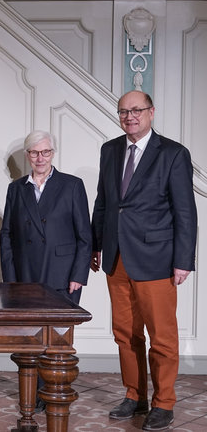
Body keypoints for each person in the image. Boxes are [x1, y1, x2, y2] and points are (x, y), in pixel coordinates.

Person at [91, 91, 197, 431]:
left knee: (162, 336)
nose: (129, 117)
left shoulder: (173, 153)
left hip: (156, 259)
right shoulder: (110, 150)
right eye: (123, 111)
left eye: (136, 110)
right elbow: (104, 203)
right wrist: (96, 244)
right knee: (125, 333)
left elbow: (185, 212)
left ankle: (163, 402)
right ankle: (134, 395)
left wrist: (183, 260)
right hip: (117, 257)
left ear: (151, 112)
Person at [0, 130, 91, 412]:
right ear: (27, 156)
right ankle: (35, 393)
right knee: (30, 339)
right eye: (34, 152)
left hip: (62, 275)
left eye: (45, 152)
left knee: (58, 340)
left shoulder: (72, 185)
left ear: (53, 153)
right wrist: (11, 280)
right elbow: (6, 236)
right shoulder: (17, 188)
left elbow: (84, 236)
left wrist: (79, 274)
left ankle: (56, 393)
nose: (40, 158)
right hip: (26, 275)